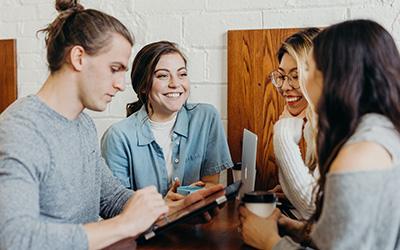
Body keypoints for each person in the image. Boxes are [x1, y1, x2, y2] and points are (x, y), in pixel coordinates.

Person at [0, 1, 223, 249]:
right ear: (78, 58)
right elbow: (14, 237)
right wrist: (123, 225)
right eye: (114, 69)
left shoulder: (82, 124)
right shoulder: (19, 130)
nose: (120, 84)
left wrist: (175, 208)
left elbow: (112, 198)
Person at [239, 19, 400, 249]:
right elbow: (354, 234)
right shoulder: (380, 132)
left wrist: (269, 241)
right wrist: (300, 230)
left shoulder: (360, 152)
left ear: (337, 77)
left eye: (309, 69)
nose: (301, 81)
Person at [101, 41, 233, 199]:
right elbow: (117, 204)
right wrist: (168, 206)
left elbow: (211, 184)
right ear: (143, 85)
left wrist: (192, 197)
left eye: (182, 74)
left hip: (196, 220)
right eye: (163, 75)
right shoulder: (118, 136)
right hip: (147, 223)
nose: (175, 84)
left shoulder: (206, 118)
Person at [269, 28, 320, 219]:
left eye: (296, 76)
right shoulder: (313, 125)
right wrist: (291, 193)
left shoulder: (337, 126)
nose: (284, 86)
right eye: (281, 76)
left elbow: (312, 209)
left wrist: (283, 132)